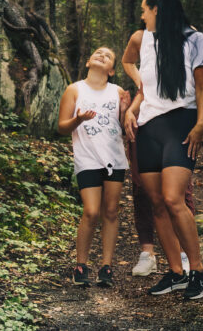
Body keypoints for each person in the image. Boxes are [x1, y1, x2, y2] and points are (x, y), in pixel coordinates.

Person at [123, 0, 203, 300]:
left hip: (180, 123)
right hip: (148, 126)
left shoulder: (195, 39)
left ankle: (198, 271)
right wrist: (136, 103)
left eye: (145, 10)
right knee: (157, 202)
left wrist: (201, 123)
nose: (142, 16)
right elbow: (140, 77)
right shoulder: (144, 38)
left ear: (158, 10)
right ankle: (176, 272)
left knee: (174, 199)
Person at [58, 47, 131, 287]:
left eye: (108, 56)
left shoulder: (117, 92)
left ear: (111, 70)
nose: (102, 55)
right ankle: (81, 265)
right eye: (98, 53)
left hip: (114, 159)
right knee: (90, 211)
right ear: (88, 62)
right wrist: (79, 119)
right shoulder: (74, 89)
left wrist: (125, 110)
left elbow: (124, 127)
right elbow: (62, 127)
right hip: (87, 158)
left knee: (110, 211)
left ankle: (106, 266)